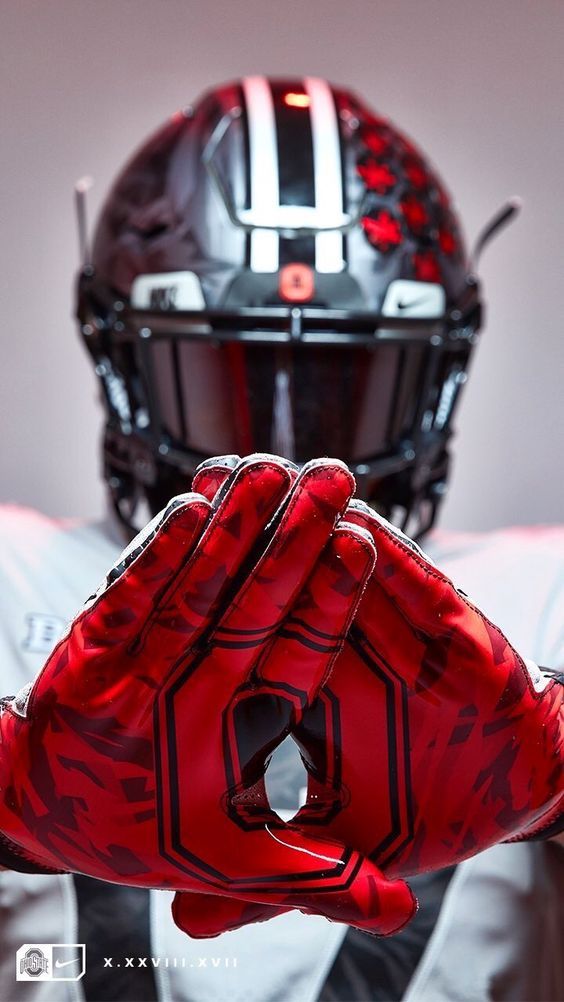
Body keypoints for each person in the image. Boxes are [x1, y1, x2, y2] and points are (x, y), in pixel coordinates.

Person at [0, 75, 561, 1002]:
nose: (291, 455)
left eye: (347, 387)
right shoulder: (14, 565)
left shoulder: (543, 585)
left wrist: (558, 771)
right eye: (232, 379)